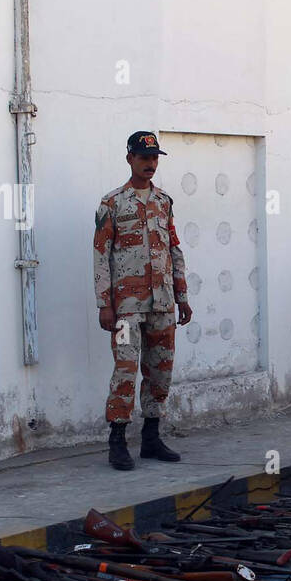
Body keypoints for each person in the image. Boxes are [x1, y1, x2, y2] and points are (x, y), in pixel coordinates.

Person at [93, 131, 192, 470]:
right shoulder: (112, 203)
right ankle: (117, 441)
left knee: (160, 369)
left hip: (162, 303)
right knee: (125, 368)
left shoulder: (164, 202)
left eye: (154, 158)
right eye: (143, 157)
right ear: (129, 159)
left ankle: (151, 437)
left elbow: (174, 249)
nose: (150, 163)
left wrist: (182, 296)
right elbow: (100, 254)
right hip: (126, 308)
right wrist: (104, 303)